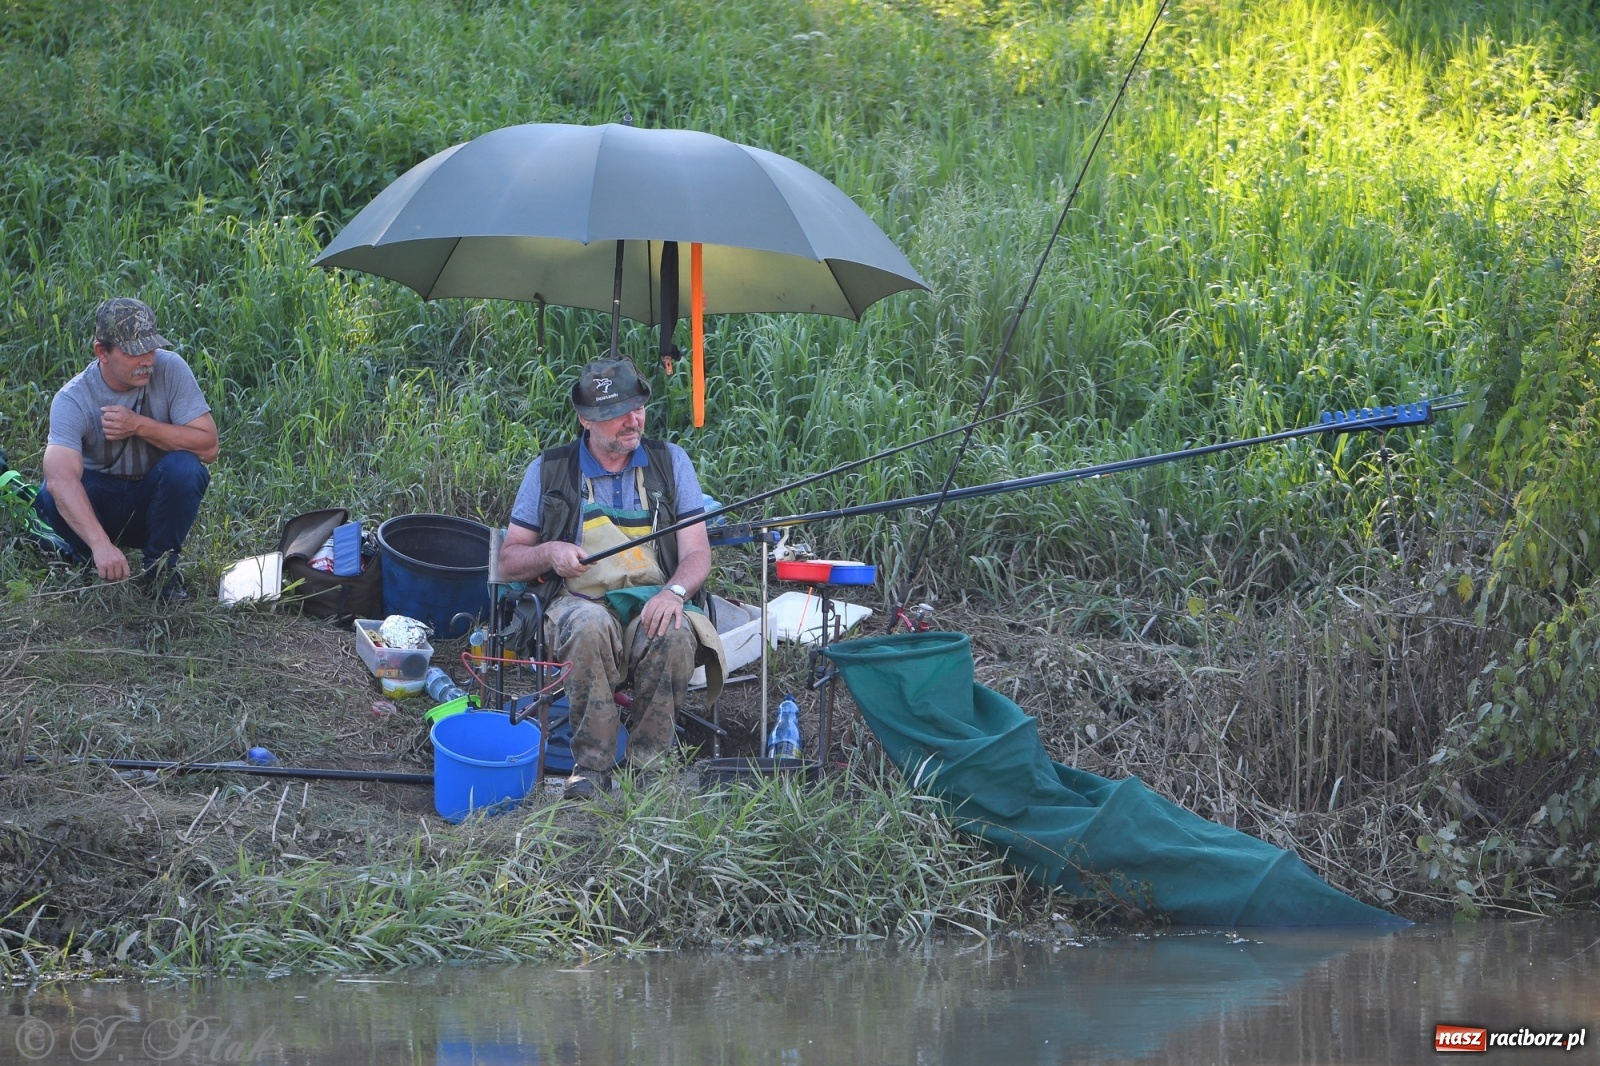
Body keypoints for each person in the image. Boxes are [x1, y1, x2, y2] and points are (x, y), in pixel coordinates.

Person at [500, 356, 725, 800]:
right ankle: (592, 771)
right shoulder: (549, 470)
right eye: (616, 413)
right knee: (589, 625)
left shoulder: (669, 462)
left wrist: (674, 592)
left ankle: (650, 772)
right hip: (577, 603)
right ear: (586, 420)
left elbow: (698, 553)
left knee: (675, 631)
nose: (632, 420)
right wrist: (551, 552)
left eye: (637, 408)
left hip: (652, 599)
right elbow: (508, 561)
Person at [32, 297, 218, 602]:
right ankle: (90, 558)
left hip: (150, 500)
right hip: (99, 502)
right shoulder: (73, 398)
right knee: (50, 493)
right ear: (102, 352)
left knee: (186, 468)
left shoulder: (171, 369)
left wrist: (139, 425)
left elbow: (209, 446)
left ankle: (161, 572)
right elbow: (59, 479)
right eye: (134, 352)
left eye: (151, 348)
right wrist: (99, 542)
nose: (147, 360)